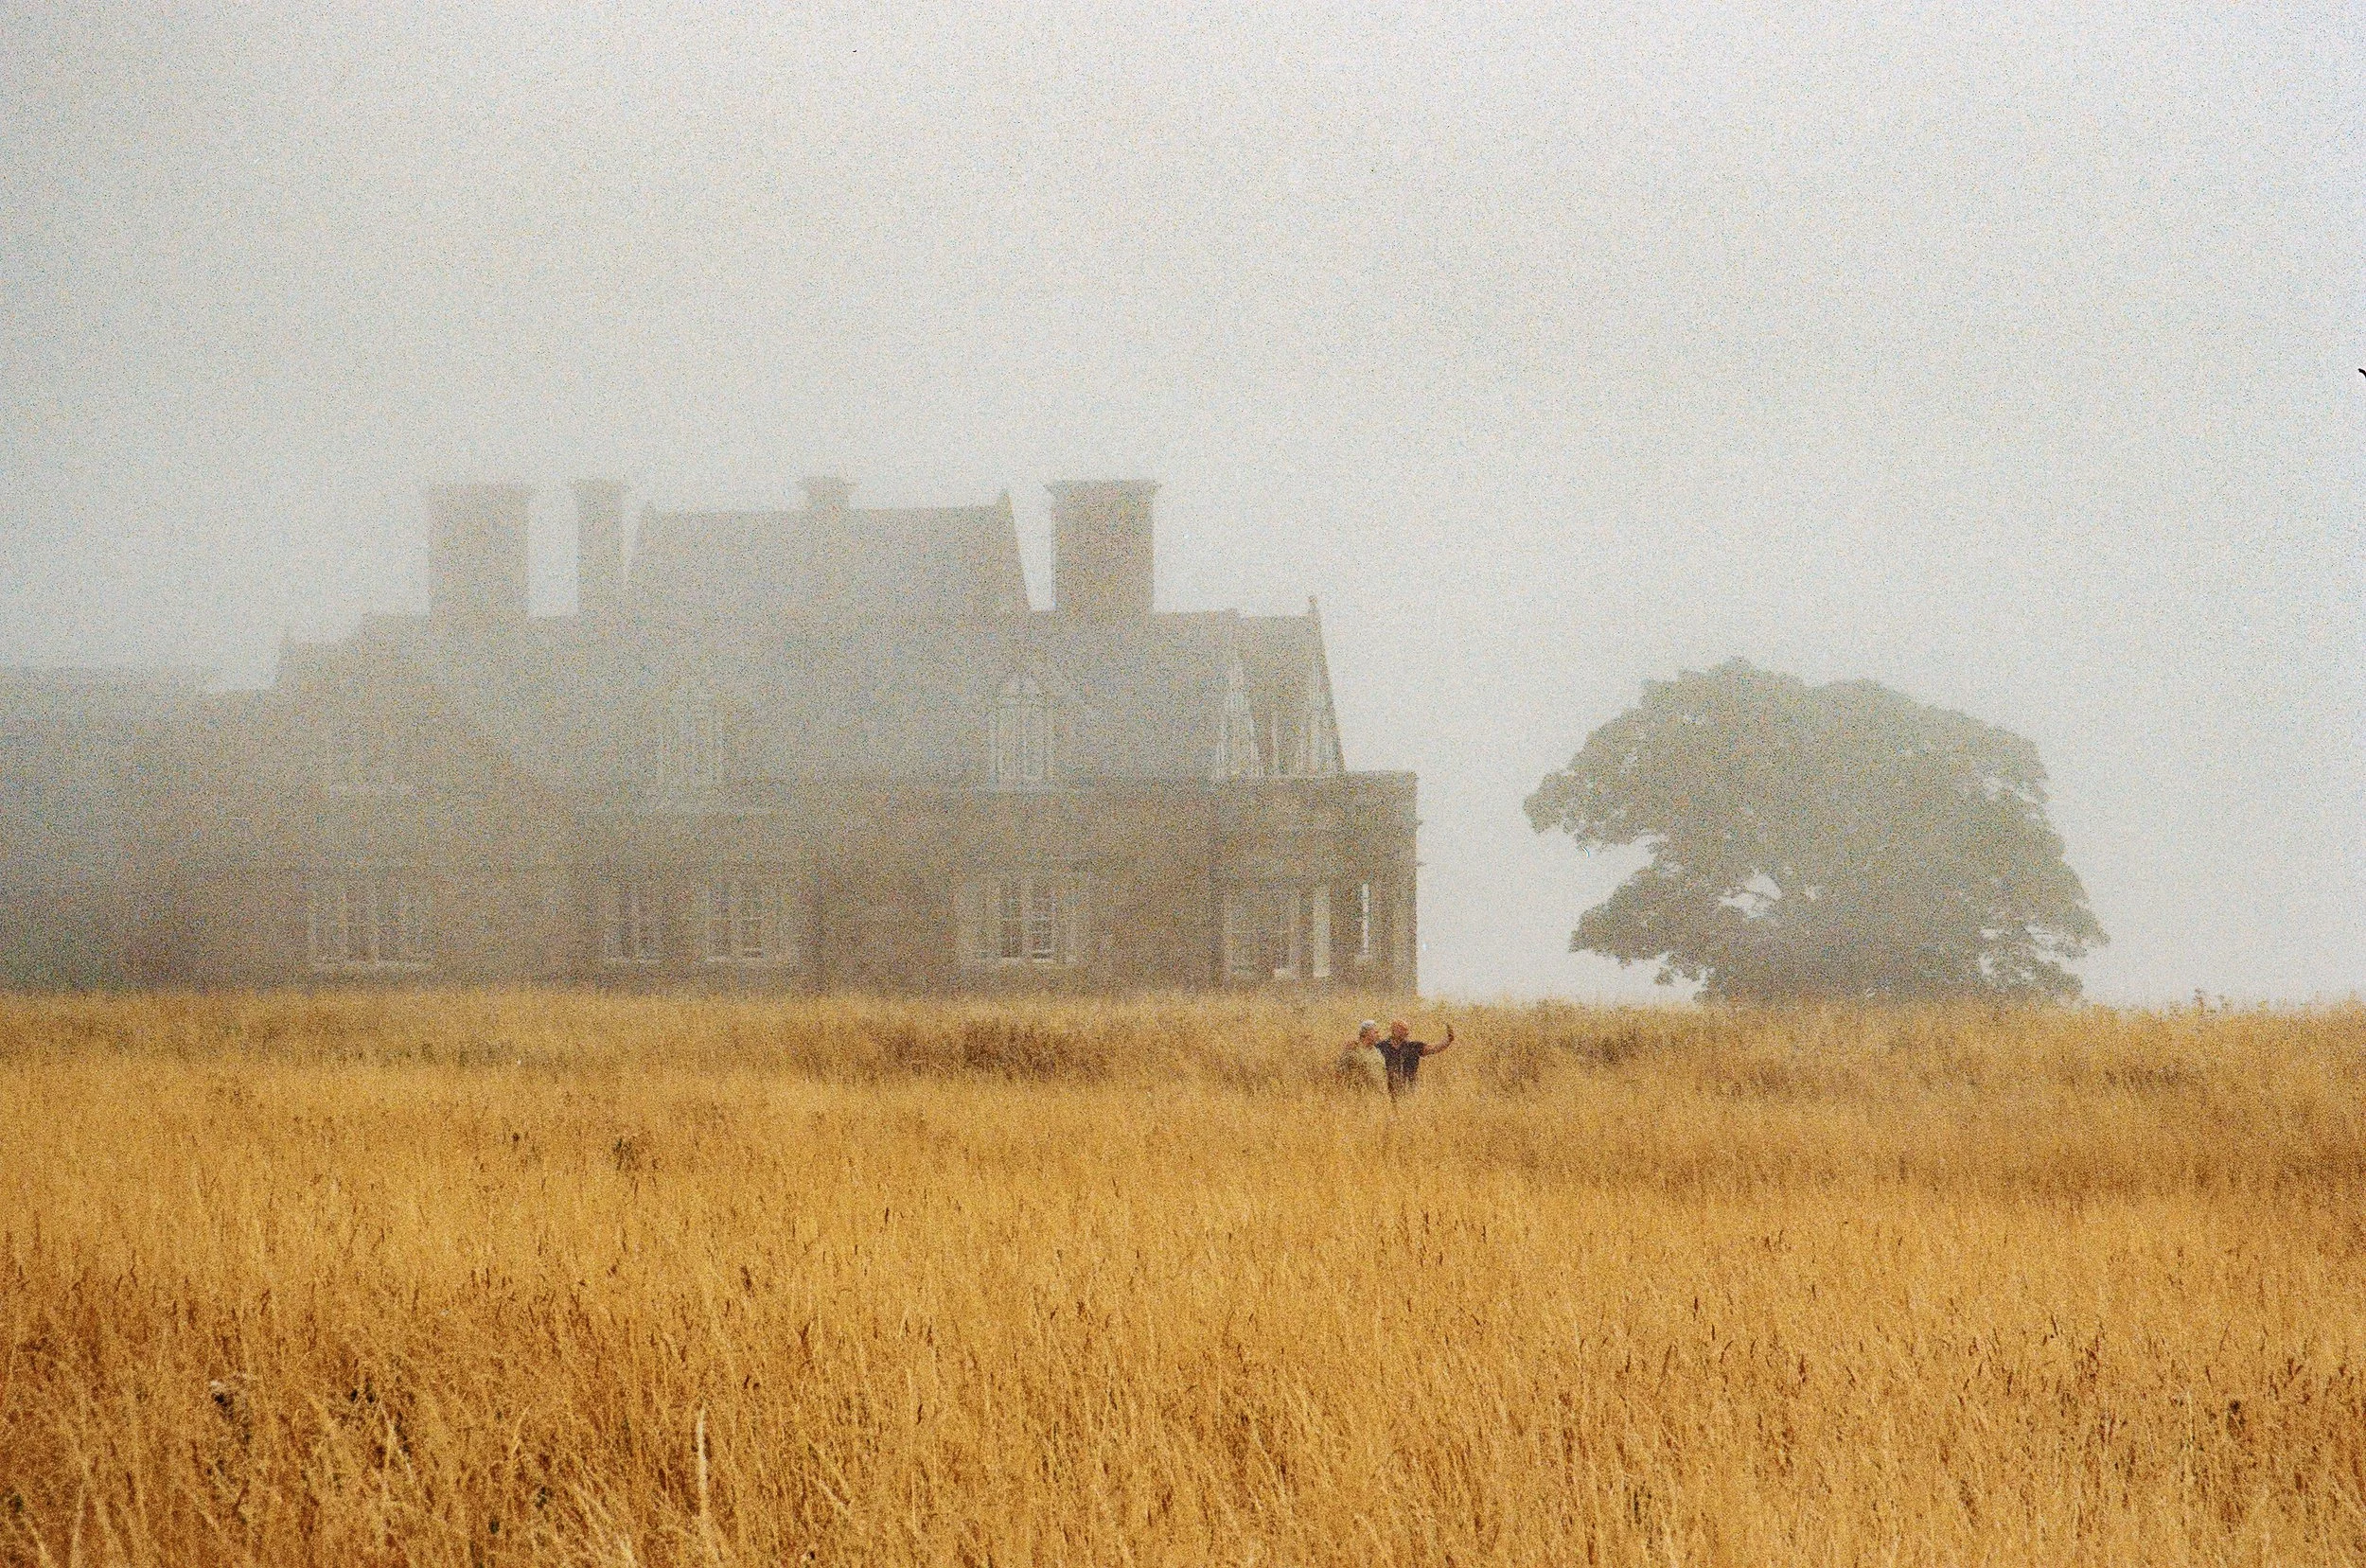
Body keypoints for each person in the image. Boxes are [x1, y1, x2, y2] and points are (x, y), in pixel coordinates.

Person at [1376, 1017, 1454, 1097]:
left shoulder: (1414, 1046)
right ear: (1393, 1030)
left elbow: (1433, 1049)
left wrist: (1448, 1040)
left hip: (1409, 1089)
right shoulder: (1381, 1047)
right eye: (1402, 1029)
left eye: (1406, 1030)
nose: (1406, 1032)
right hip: (1386, 1092)